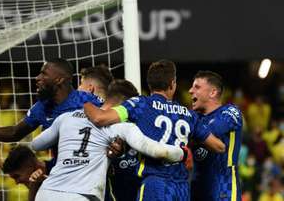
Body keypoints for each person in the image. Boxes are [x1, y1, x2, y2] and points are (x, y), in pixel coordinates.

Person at [0, 58, 102, 200]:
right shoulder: (42, 107)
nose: (37, 78)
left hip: (94, 176)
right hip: (64, 176)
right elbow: (15, 133)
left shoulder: (88, 102)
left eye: (44, 74)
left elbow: (114, 124)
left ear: (59, 80)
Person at [84, 60, 225, 201]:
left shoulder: (140, 105)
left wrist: (83, 98)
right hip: (182, 190)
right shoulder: (188, 115)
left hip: (155, 184)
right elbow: (219, 147)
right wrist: (190, 147)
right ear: (172, 84)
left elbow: (99, 118)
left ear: (149, 84)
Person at [30, 79, 187, 201]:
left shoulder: (66, 118)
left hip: (46, 192)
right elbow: (158, 150)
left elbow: (36, 144)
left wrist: (67, 139)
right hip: (80, 195)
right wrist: (183, 154)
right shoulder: (121, 128)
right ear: (125, 105)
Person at [188, 70, 243, 201]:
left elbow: (213, 130)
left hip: (224, 189)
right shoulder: (194, 117)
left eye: (197, 87)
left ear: (212, 92)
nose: (190, 91)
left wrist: (187, 131)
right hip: (196, 191)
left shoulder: (230, 111)